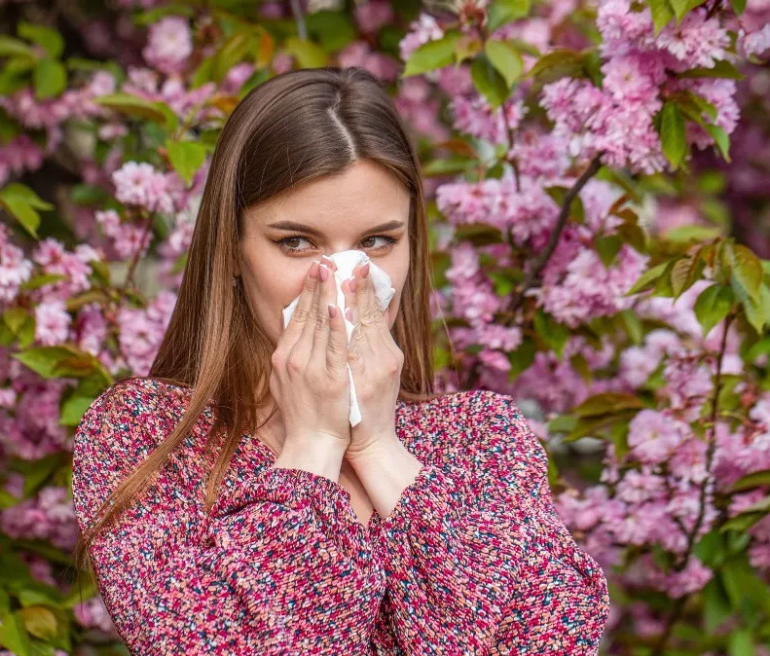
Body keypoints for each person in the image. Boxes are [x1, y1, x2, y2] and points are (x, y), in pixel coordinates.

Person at [70, 66, 610, 655]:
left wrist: (379, 448)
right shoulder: (148, 437)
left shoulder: (479, 438)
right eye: (296, 242)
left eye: (377, 242)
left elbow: (551, 638)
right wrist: (314, 446)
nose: (343, 279)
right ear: (232, 248)